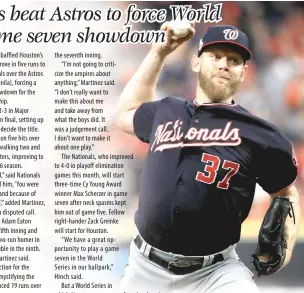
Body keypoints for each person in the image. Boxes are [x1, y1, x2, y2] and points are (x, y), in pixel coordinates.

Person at [115, 23, 301, 293]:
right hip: (146, 267)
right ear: (195, 63)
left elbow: (286, 193)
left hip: (215, 273)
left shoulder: (263, 135)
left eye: (234, 60)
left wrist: (285, 250)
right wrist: (159, 52)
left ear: (243, 72)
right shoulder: (167, 110)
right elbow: (125, 115)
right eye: (216, 56)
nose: (225, 64)